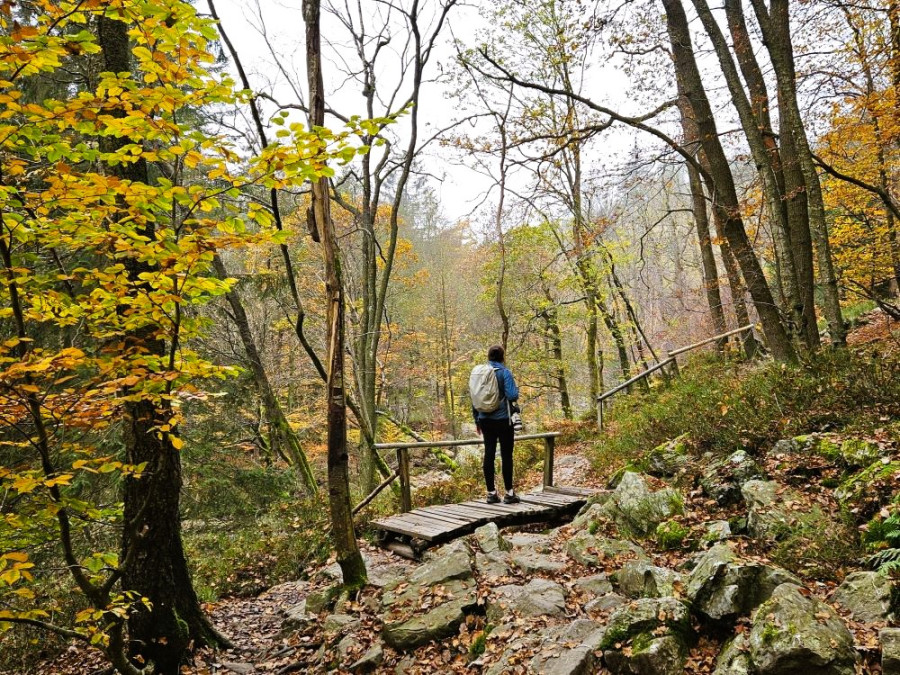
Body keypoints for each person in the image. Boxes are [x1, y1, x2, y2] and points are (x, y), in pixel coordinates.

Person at [472, 344, 520, 504]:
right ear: (502, 357)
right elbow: (512, 395)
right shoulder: (505, 372)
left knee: (489, 454)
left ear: (488, 356)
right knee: (506, 456)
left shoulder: (480, 373)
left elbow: (475, 398)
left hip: (484, 420)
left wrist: (477, 420)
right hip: (503, 420)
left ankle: (491, 493)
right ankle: (509, 493)